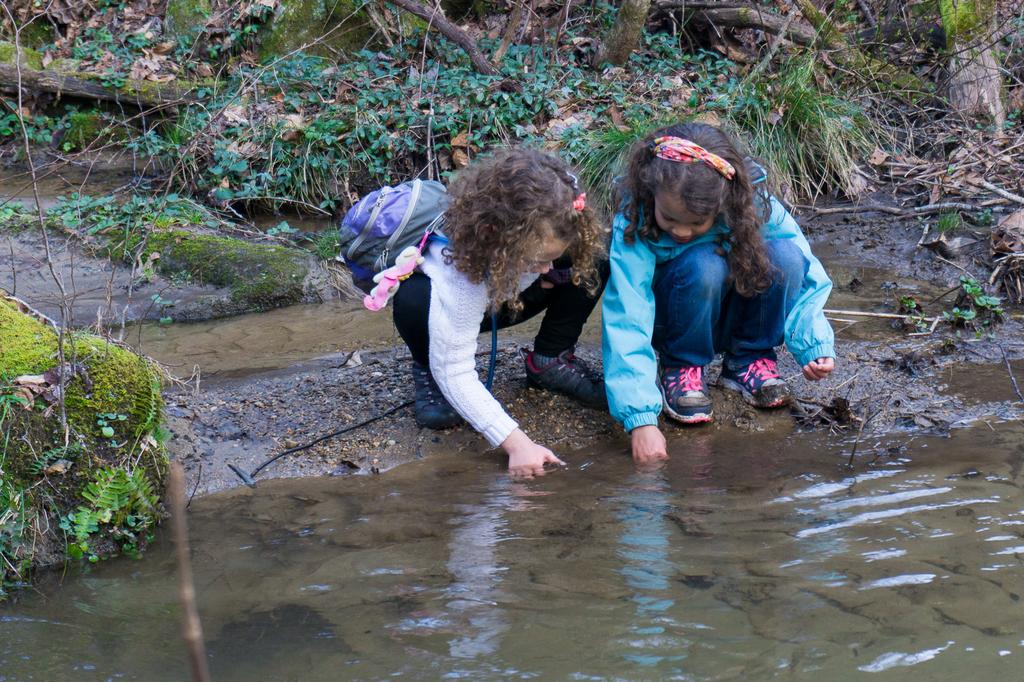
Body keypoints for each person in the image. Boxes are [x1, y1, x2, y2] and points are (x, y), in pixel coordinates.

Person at [602, 122, 835, 465]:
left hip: (729, 313)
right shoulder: (635, 215)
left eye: (697, 223)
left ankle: (748, 360)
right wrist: (640, 418)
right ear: (651, 191)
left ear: (724, 203)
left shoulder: (751, 203)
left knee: (785, 257)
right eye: (668, 218)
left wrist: (813, 341)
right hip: (675, 320)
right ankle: (681, 369)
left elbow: (809, 273)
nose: (681, 230)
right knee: (703, 264)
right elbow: (627, 312)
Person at [391, 149, 607, 477]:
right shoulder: (458, 273)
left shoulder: (550, 230)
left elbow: (556, 258)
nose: (548, 268)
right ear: (498, 237)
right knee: (415, 301)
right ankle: (425, 366)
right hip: (439, 308)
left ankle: (550, 358)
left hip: (503, 296)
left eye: (551, 258)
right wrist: (517, 444)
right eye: (537, 259)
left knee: (593, 259)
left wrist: (542, 273)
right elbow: (456, 371)